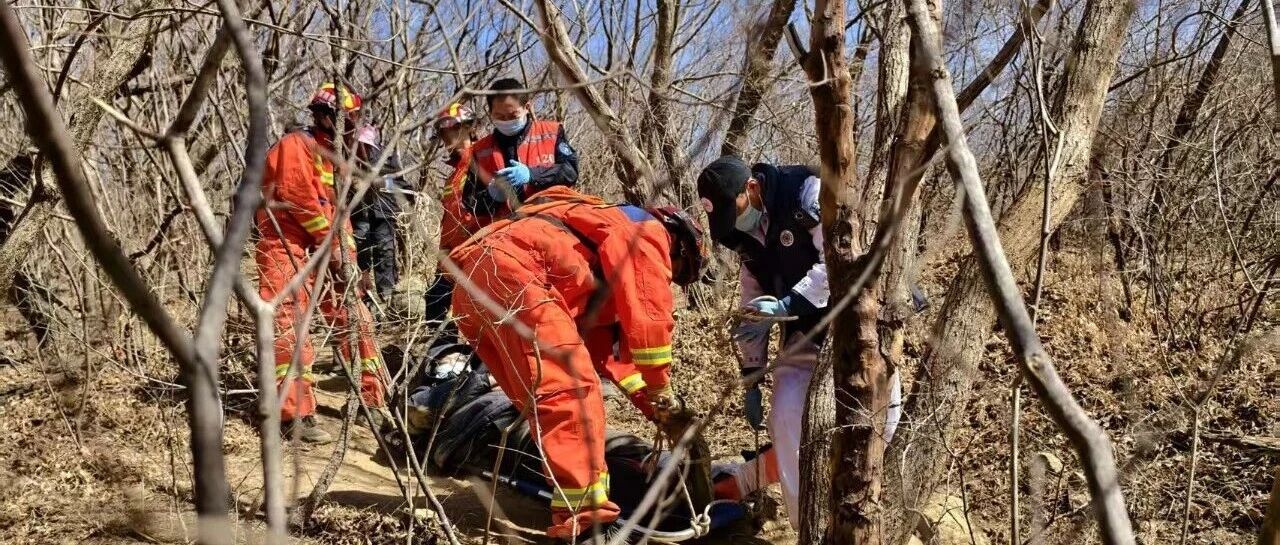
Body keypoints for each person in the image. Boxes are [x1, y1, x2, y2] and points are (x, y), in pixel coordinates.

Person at [448, 186, 707, 539]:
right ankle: (587, 526)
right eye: (675, 273)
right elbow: (649, 318)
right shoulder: (647, 232)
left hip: (475, 285)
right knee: (572, 395)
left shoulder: (595, 241)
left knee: (549, 408)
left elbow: (609, 354)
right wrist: (663, 389)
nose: (669, 279)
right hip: (517, 278)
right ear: (679, 246)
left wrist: (656, 407)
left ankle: (575, 511)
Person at [694, 155, 901, 530]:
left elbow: (836, 260)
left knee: (883, 421)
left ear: (751, 188)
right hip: (803, 333)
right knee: (786, 418)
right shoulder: (738, 233)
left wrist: (788, 303)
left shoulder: (805, 192)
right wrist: (752, 374)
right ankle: (807, 524)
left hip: (857, 321)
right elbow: (752, 297)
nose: (732, 222)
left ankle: (868, 509)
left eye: (732, 209)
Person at [255, 82, 386, 443]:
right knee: (289, 320)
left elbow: (340, 216)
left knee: (356, 318)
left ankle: (370, 401)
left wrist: (349, 259)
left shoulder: (336, 159)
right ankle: (294, 414)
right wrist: (332, 245)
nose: (353, 127)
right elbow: (298, 197)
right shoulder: (296, 145)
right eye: (349, 119)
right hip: (285, 243)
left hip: (325, 248)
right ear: (329, 117)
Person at [422, 102, 480, 331]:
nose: (448, 138)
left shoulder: (483, 161)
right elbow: (449, 218)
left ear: (469, 129)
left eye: (454, 130)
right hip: (453, 255)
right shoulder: (453, 176)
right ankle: (446, 351)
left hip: (477, 252)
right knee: (435, 302)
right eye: (444, 133)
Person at [351, 124, 409, 313]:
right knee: (360, 246)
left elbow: (403, 186)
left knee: (385, 250)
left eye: (365, 145)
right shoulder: (348, 159)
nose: (362, 149)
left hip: (383, 212)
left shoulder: (386, 160)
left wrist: (383, 184)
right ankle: (364, 297)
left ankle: (387, 295)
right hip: (359, 213)